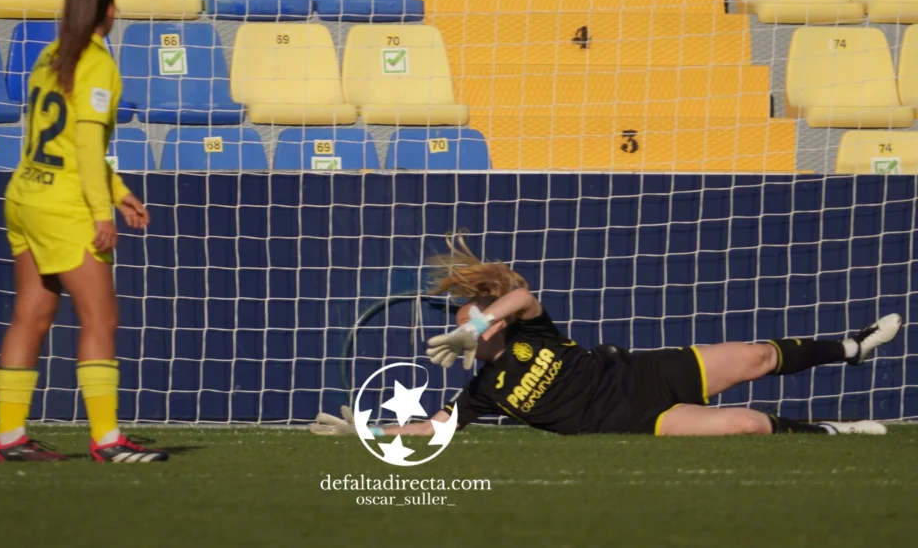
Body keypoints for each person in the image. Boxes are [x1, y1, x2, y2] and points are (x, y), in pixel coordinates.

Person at [312, 234, 902, 438]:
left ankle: (851, 346)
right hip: (633, 418)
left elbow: (524, 296)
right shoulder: (483, 392)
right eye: (467, 315)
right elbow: (433, 428)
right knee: (747, 424)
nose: (470, 319)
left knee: (756, 356)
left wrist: (479, 324)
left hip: (644, 372)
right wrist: (367, 431)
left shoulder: (526, 329)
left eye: (474, 311)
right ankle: (831, 429)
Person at [0, 0, 167, 462]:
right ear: (109, 10)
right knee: (100, 318)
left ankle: (9, 437)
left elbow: (63, 143)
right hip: (65, 207)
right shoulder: (98, 64)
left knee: (32, 313)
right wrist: (101, 212)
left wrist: (120, 191)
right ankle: (108, 439)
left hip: (24, 195)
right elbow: (88, 148)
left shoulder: (49, 56)